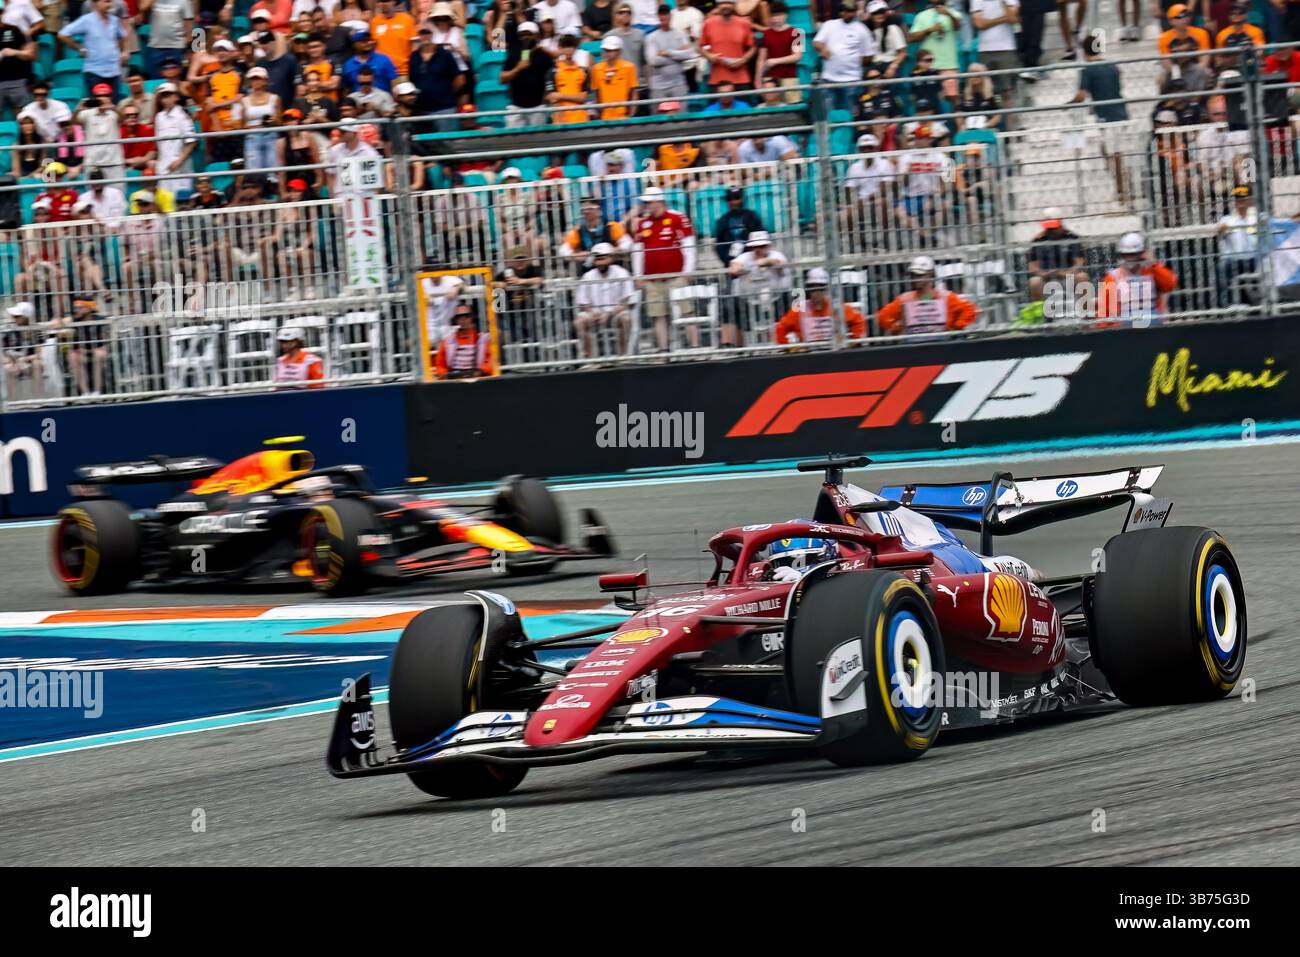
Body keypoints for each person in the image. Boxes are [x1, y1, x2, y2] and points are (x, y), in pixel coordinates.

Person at [631, 185, 695, 351]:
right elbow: (637, 251)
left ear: (659, 201)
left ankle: (696, 347)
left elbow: (689, 245)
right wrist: (638, 275)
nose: (646, 206)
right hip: (652, 279)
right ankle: (664, 350)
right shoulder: (642, 223)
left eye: (649, 202)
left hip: (676, 276)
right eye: (645, 203)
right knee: (657, 315)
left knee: (686, 312)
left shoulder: (678, 218)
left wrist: (688, 272)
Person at [1069, 33, 1129, 203]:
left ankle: (1122, 190)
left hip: (1106, 116)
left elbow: (1081, 94)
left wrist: (1068, 103)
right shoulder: (1112, 66)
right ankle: (1123, 186)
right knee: (1111, 152)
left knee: (1113, 154)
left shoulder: (1088, 69)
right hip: (1120, 112)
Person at [877, 255, 977, 334]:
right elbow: (883, 316)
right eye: (913, 275)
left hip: (941, 349)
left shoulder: (946, 297)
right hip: (913, 350)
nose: (915, 279)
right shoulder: (905, 299)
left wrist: (956, 328)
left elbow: (969, 310)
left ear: (931, 275)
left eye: (920, 275)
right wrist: (897, 327)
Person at [725, 230, 791, 344]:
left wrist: (766, 261)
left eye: (762, 246)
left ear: (768, 246)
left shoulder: (776, 255)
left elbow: (780, 263)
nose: (758, 249)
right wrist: (741, 269)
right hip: (748, 300)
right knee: (730, 307)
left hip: (777, 297)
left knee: (798, 299)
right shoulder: (745, 257)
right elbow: (734, 267)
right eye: (755, 246)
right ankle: (739, 347)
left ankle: (789, 341)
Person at [1096, 232, 1178, 322]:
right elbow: (1105, 310)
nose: (1130, 258)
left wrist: (1154, 264)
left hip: (1152, 320)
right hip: (1124, 324)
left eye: (1133, 254)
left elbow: (1170, 285)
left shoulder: (1153, 271)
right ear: (1121, 255)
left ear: (1141, 254)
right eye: (1126, 254)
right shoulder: (1112, 277)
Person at [774, 267, 866, 342]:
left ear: (826, 289)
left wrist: (854, 342)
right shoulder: (799, 309)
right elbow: (780, 329)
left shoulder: (836, 307)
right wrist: (791, 350)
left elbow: (858, 321)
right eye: (813, 288)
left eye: (820, 288)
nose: (817, 292)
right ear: (808, 290)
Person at [575, 242, 636, 356]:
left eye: (603, 258)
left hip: (616, 313)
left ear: (611, 258)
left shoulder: (622, 273)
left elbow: (627, 302)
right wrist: (592, 313)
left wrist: (609, 313)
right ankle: (590, 360)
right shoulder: (587, 277)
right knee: (580, 321)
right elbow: (583, 303)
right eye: (597, 259)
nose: (600, 262)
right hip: (594, 315)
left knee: (626, 318)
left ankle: (623, 357)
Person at [58, 0, 127, 98]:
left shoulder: (114, 20)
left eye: (110, 2)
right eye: (105, 2)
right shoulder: (86, 20)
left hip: (114, 70)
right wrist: (79, 48)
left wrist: (121, 51)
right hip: (95, 70)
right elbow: (63, 34)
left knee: (114, 106)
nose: (109, 4)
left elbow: (123, 36)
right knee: (98, 106)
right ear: (96, 3)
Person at [1026, 207, 1089, 315]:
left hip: (1068, 275)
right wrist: (1044, 274)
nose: (1051, 230)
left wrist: (1065, 273)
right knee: (1034, 282)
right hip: (1046, 278)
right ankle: (1041, 317)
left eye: (1053, 227)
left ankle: (1086, 315)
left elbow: (1079, 263)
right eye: (1048, 227)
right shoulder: (1038, 240)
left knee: (1082, 277)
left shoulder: (1072, 238)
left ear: (1060, 223)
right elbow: (1032, 267)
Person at [814, 1, 874, 113]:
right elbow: (816, 42)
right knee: (830, 115)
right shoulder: (830, 25)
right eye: (845, 11)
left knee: (849, 114)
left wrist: (852, 62)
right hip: (829, 79)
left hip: (851, 80)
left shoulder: (862, 29)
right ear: (841, 12)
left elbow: (868, 56)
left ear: (855, 12)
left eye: (851, 11)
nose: (847, 14)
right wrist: (823, 48)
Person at [907, 0, 962, 101]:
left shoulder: (953, 13)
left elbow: (958, 27)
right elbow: (912, 38)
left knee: (952, 99)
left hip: (948, 65)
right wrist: (930, 30)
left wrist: (948, 14)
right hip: (927, 67)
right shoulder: (921, 15)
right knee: (927, 100)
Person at [970, 0, 1020, 111]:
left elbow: (1013, 19)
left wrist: (1003, 3)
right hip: (985, 49)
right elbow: (979, 24)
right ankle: (989, 125)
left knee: (1007, 91)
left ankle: (1010, 127)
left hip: (1006, 48)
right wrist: (1003, 18)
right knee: (985, 91)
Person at [501, 20, 552, 127]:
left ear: (536, 35)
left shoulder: (543, 54)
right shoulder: (513, 54)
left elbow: (551, 75)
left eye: (529, 34)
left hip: (537, 107)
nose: (526, 37)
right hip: (516, 107)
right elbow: (502, 79)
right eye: (522, 34)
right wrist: (518, 68)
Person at [560, 195, 633, 270]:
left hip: (612, 268)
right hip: (589, 270)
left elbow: (628, 243)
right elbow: (563, 251)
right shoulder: (578, 230)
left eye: (589, 208)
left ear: (599, 210)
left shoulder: (611, 226)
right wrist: (576, 256)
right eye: (583, 209)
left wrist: (612, 250)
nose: (586, 212)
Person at [1216, 185, 1259, 307]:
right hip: (1234, 260)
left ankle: (1264, 302)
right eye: (1237, 200)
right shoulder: (1227, 219)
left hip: (1254, 259)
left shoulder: (1256, 217)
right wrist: (1220, 230)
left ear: (1249, 200)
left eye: (1243, 199)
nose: (1240, 203)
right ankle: (1224, 306)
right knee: (1221, 267)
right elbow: (1219, 230)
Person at [699, 0, 756, 89]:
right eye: (722, 3)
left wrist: (743, 60)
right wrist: (709, 56)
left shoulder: (744, 23)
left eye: (728, 3)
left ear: (734, 5)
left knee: (744, 103)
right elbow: (700, 46)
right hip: (717, 80)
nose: (725, 6)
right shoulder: (708, 23)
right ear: (717, 6)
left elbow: (753, 47)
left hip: (741, 78)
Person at [755, 1, 803, 101]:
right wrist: (758, 79)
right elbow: (761, 59)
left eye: (780, 15)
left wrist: (775, 61)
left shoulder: (797, 32)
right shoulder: (765, 34)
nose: (776, 18)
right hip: (770, 80)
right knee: (772, 110)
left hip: (789, 78)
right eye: (774, 16)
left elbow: (797, 56)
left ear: (786, 15)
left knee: (793, 108)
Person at [644, 4, 692, 100]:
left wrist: (669, 53)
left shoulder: (681, 35)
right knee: (658, 115)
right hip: (658, 87)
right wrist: (678, 55)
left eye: (665, 14)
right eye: (661, 14)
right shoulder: (651, 37)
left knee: (681, 115)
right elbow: (653, 61)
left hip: (678, 84)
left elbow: (689, 54)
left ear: (671, 15)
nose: (663, 16)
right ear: (658, 16)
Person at [434, 303, 494, 379]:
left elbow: (491, 362)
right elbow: (440, 365)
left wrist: (481, 371)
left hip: (478, 380)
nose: (463, 319)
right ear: (455, 320)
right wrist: (446, 375)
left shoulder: (484, 339)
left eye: (467, 316)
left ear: (472, 318)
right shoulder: (447, 342)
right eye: (459, 317)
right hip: (454, 381)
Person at [591, 34, 638, 120]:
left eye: (611, 50)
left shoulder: (629, 67)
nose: (608, 53)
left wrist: (631, 114)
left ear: (619, 51)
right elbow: (597, 94)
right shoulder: (597, 69)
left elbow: (633, 92)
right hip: (605, 116)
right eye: (606, 50)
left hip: (623, 115)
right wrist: (599, 113)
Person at [0, 18, 36, 119]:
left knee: (23, 118)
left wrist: (15, 52)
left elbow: (30, 54)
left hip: (18, 81)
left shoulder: (14, 30)